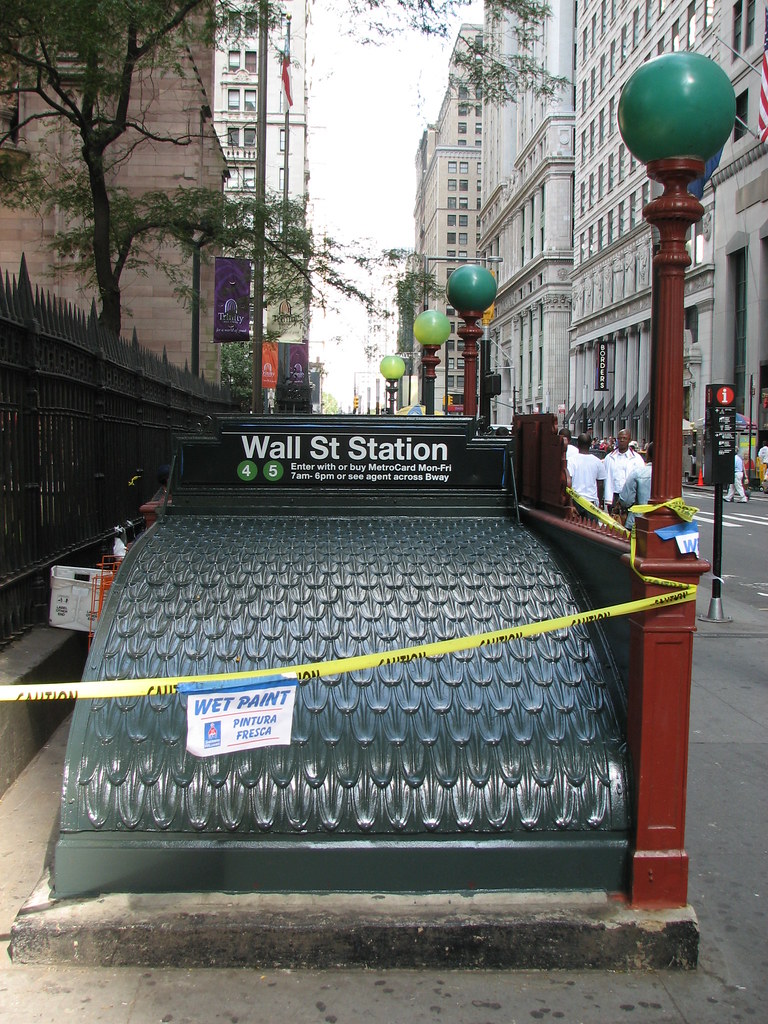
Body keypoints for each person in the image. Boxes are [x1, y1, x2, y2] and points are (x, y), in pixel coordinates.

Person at [604, 428, 643, 511]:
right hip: (614, 495)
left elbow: (641, 478)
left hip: (629, 496)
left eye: (624, 438)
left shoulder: (637, 459)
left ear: (629, 440)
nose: (622, 440)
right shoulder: (609, 458)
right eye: (620, 438)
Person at [619, 442, 653, 529]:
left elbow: (626, 500)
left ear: (648, 455)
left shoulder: (638, 473)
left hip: (637, 521)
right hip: (668, 527)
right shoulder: (672, 476)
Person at [570, 432, 607, 513]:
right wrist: (600, 503)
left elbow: (568, 482)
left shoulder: (571, 460)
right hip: (592, 502)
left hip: (576, 500)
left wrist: (570, 504)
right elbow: (600, 485)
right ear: (590, 444)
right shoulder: (597, 462)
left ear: (578, 444)